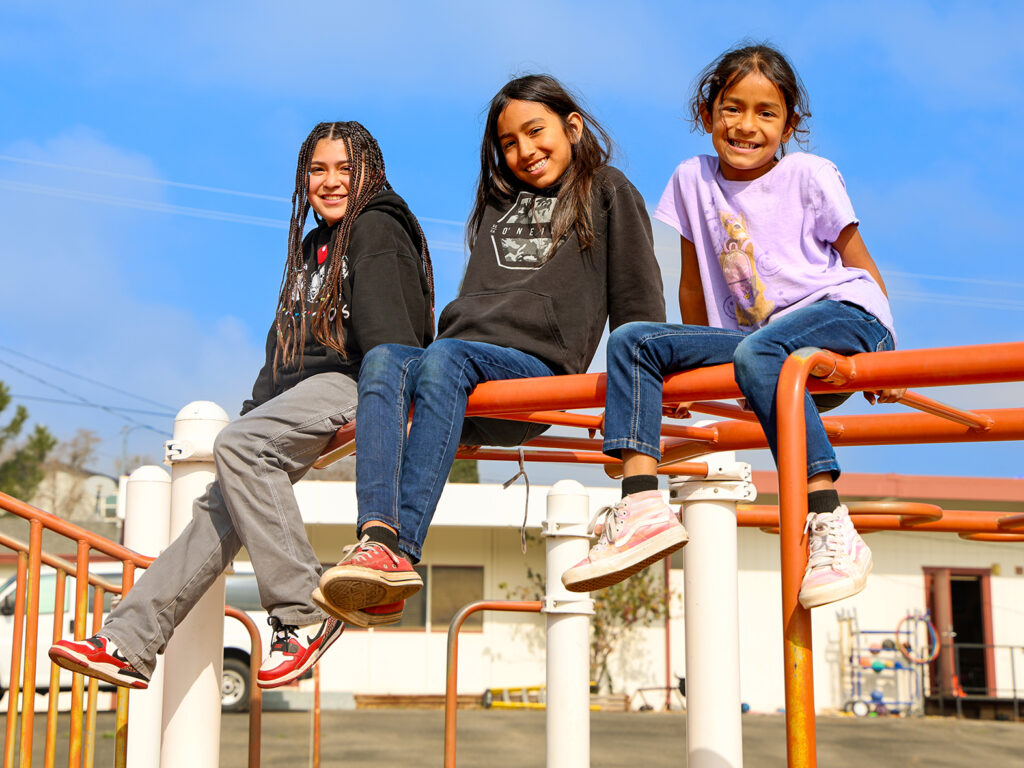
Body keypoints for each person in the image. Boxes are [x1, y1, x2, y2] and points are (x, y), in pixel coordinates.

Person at [49, 121, 434, 690]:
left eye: (344, 170)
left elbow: (395, 342)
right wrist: (254, 412)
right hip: (309, 392)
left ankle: (303, 617)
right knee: (222, 498)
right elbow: (285, 348)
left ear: (368, 173)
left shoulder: (377, 228)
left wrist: (382, 410)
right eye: (318, 170)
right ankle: (129, 641)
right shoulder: (310, 250)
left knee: (242, 449)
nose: (330, 182)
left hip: (363, 381)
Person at [313, 75, 667, 620]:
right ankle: (377, 536)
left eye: (535, 131)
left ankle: (402, 552)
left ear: (572, 126)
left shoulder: (607, 190)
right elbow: (473, 308)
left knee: (445, 359)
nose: (524, 151)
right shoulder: (499, 204)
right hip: (454, 366)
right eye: (508, 142)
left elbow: (637, 304)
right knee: (385, 358)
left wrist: (651, 394)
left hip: (531, 375)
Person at [563, 44, 899, 609]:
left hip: (843, 314)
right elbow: (691, 287)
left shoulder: (809, 175)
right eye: (732, 108)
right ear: (707, 114)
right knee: (634, 340)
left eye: (766, 113)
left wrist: (886, 359)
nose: (746, 125)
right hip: (761, 346)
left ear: (790, 123)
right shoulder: (692, 179)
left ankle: (829, 519)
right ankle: (643, 504)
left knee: (761, 353)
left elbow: (859, 265)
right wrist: (696, 372)